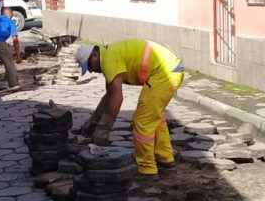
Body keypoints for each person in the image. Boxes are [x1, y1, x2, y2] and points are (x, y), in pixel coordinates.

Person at [75, 39, 185, 178]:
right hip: (170, 69)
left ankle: (147, 169)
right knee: (154, 118)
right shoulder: (109, 54)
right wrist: (92, 121)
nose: (91, 71)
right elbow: (109, 96)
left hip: (164, 73)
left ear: (94, 55)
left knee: (142, 121)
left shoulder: (109, 60)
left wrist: (104, 129)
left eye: (89, 66)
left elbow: (117, 99)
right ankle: (164, 157)